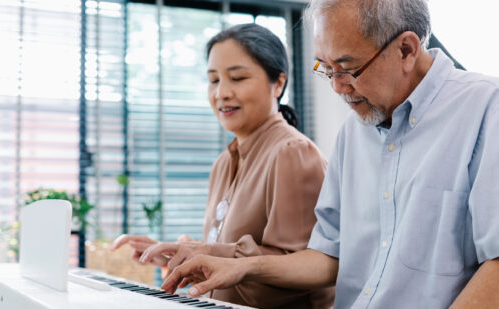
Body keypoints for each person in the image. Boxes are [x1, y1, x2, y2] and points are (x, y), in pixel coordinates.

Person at [161, 1, 499, 308]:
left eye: (347, 67)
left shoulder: (486, 109)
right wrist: (241, 267)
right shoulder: (354, 132)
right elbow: (328, 255)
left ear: (406, 49)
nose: (336, 85)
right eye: (326, 67)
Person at [111, 23, 334, 308]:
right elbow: (226, 273)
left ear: (278, 83)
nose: (222, 93)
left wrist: (203, 252)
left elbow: (300, 269)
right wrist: (180, 256)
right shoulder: (222, 164)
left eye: (238, 78)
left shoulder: (292, 152)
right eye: (214, 80)